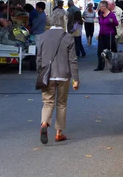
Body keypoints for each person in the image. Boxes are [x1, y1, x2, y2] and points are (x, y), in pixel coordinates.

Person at [37, 10, 79, 145]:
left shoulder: (42, 37)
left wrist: (40, 72)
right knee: (61, 104)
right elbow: (72, 60)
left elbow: (39, 58)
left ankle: (44, 123)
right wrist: (75, 78)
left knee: (48, 102)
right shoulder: (68, 37)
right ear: (63, 21)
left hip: (47, 75)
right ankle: (58, 133)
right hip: (63, 75)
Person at [95, 0, 119, 71]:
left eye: (101, 6)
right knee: (100, 51)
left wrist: (112, 21)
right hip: (102, 35)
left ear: (105, 7)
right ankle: (100, 66)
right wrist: (98, 34)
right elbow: (101, 25)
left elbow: (116, 23)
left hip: (109, 35)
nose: (100, 8)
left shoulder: (111, 14)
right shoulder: (101, 14)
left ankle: (115, 65)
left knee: (111, 51)